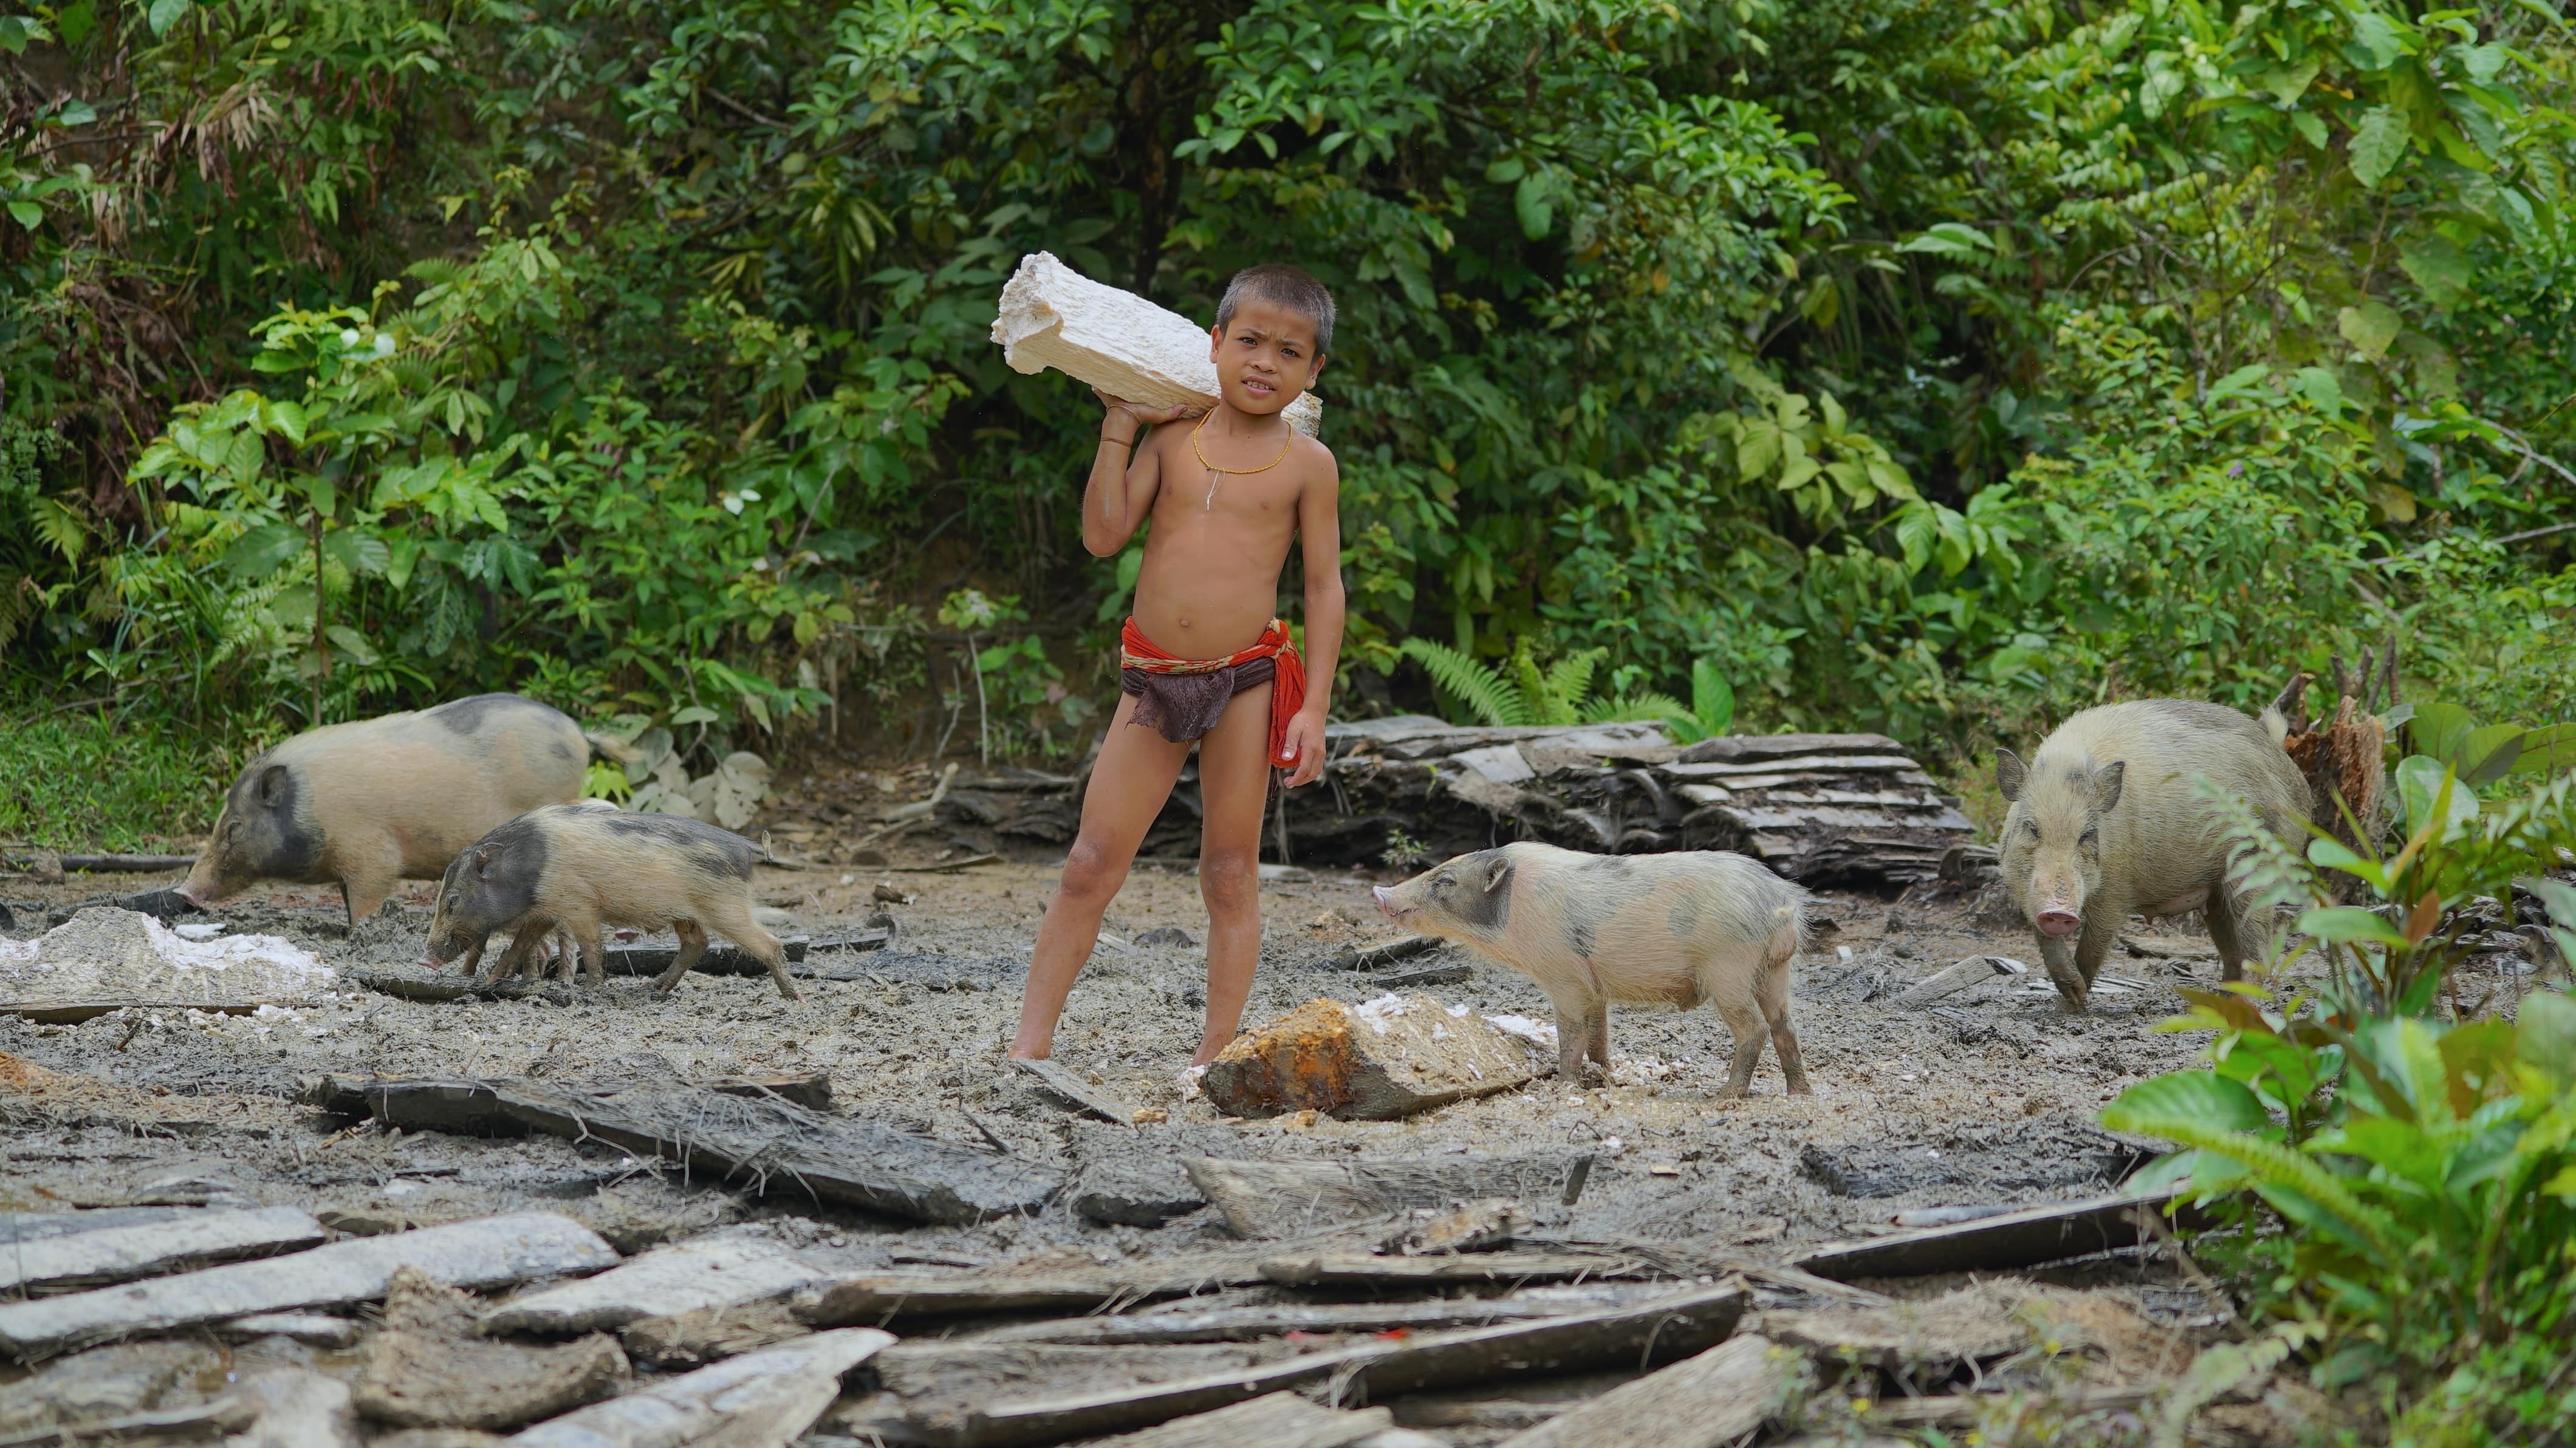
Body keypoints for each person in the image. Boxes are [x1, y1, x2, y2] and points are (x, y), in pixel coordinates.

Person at [1009, 264, 1343, 1071]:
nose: (1265, 362)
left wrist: (1315, 710)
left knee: (1229, 871)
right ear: (1216, 343)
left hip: (1247, 683)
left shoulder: (1309, 463)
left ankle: (1214, 1055)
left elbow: (1324, 586)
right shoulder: (1170, 441)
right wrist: (1118, 426)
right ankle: (1030, 1046)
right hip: (1154, 678)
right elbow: (1102, 536)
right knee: (1092, 860)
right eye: (1251, 341)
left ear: (1312, 372)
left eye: (1289, 352)